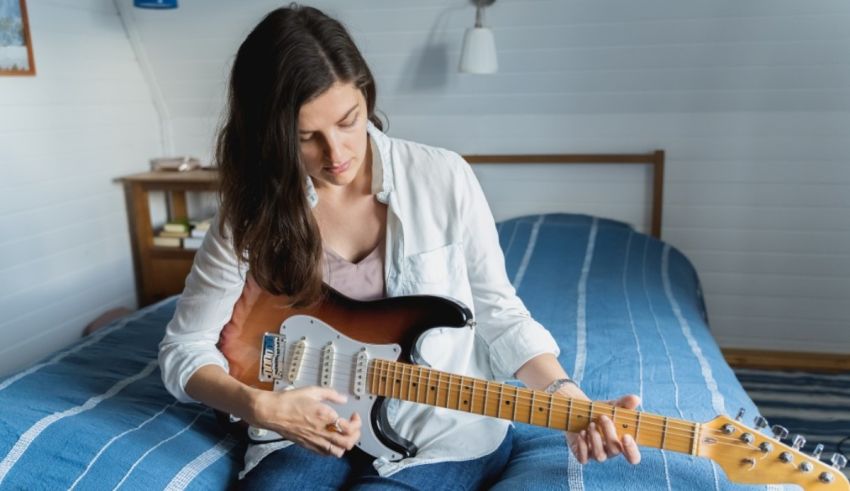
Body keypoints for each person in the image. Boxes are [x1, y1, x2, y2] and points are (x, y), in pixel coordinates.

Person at [158, 4, 641, 490]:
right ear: (269, 137)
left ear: (366, 95)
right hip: (301, 426)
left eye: (349, 121)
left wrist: (566, 395)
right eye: (306, 138)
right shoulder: (251, 209)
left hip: (441, 431)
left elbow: (497, 312)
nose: (338, 154)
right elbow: (185, 345)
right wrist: (261, 406)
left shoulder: (443, 175)